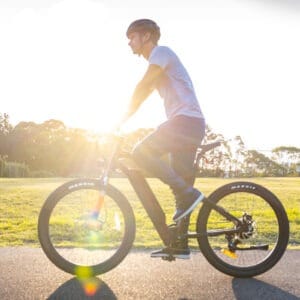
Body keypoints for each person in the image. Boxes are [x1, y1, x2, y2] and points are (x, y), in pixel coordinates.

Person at [119, 19, 206, 259]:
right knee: (183, 187)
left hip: (185, 122)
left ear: (146, 36)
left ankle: (186, 193)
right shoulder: (157, 62)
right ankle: (179, 244)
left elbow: (144, 86)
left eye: (132, 36)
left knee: (140, 153)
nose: (129, 42)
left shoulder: (161, 53)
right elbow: (145, 92)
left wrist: (118, 120)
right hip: (189, 124)